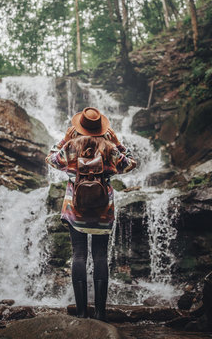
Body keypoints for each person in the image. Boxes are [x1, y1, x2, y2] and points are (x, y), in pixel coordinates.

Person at [45, 107, 137, 321]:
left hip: (74, 209)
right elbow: (131, 164)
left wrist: (63, 140)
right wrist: (118, 142)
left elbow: (51, 159)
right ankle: (100, 313)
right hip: (103, 210)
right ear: (101, 129)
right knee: (100, 256)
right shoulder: (110, 148)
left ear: (80, 127)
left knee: (78, 255)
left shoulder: (70, 146)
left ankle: (82, 311)